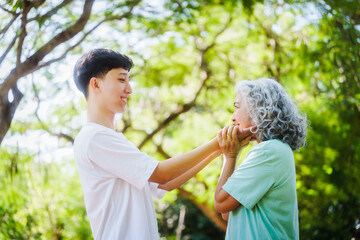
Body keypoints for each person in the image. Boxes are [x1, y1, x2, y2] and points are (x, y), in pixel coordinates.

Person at [72, 49, 252, 240]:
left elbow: (165, 183)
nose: (130, 89)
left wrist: (222, 149)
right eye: (121, 79)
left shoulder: (112, 139)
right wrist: (218, 142)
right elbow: (162, 173)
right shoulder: (94, 137)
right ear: (95, 84)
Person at [214, 78, 307, 239]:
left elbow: (221, 204)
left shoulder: (269, 151)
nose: (233, 118)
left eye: (237, 107)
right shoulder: (274, 150)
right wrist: (232, 156)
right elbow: (228, 213)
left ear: (257, 109)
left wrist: (230, 156)